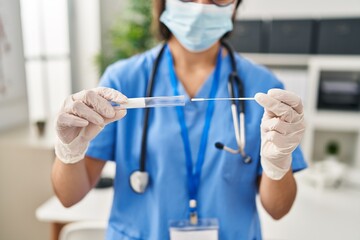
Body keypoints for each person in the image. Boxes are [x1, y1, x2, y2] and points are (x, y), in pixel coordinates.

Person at [52, 0, 307, 239]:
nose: (202, 6)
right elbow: (68, 196)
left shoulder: (262, 87)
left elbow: (278, 209)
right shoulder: (123, 80)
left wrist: (278, 165)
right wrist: (68, 151)